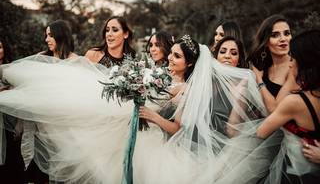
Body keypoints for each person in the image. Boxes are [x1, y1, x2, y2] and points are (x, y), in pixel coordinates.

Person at [0, 34, 267, 183]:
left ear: (188, 64)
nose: (170, 59)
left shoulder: (188, 90)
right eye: (171, 53)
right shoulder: (161, 77)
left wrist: (150, 114)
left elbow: (177, 128)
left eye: (176, 56)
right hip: (137, 133)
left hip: (161, 147)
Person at [256, 29, 320, 183]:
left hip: (297, 174)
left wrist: (291, 80)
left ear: (304, 62)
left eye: (292, 58)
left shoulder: (294, 102)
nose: (289, 63)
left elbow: (261, 132)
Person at [23, 19, 77, 184]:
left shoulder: (76, 62)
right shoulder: (41, 59)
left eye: (51, 35)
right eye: (46, 35)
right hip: (42, 127)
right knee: (40, 171)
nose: (47, 39)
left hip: (65, 129)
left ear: (61, 36)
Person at [247, 14, 300, 113]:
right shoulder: (263, 67)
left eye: (287, 33)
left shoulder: (295, 67)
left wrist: (259, 80)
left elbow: (275, 110)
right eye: (275, 35)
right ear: (266, 42)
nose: (283, 39)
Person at [0, 38, 25, 184]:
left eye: (0, 47)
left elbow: (21, 98)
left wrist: (20, 123)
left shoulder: (11, 71)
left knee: (13, 159)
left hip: (9, 122)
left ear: (5, 50)